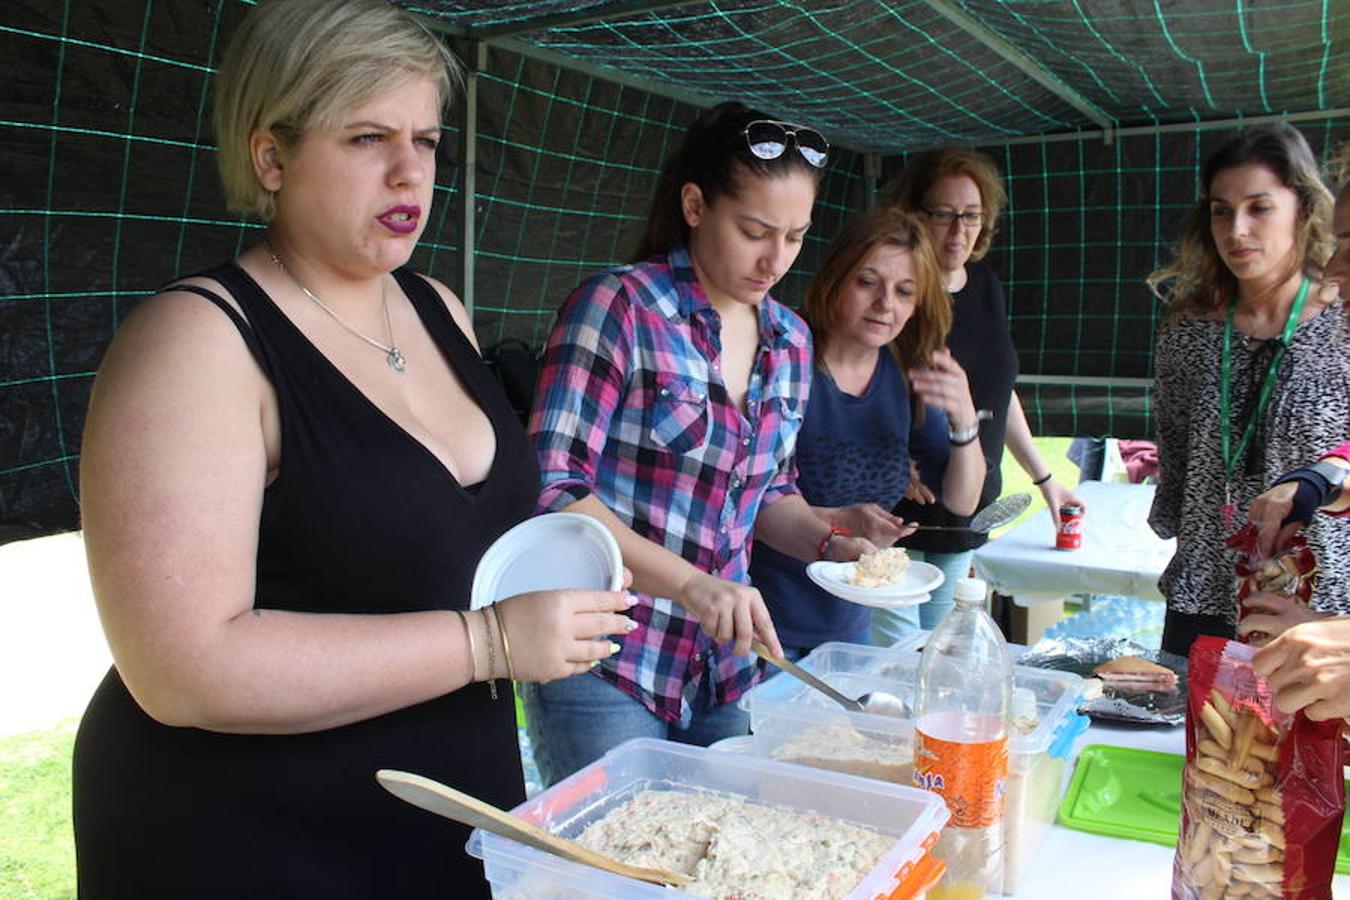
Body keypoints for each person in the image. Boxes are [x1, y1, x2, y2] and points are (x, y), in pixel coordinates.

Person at [71, 2, 633, 896]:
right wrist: (487, 642)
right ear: (272, 157)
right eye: (368, 137)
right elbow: (182, 669)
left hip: (441, 808)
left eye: (428, 139)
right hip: (256, 837)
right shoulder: (194, 343)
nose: (411, 169)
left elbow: (437, 533)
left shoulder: (436, 307)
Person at [524, 103, 876, 786]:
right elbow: (551, 486)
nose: (775, 259)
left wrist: (831, 541)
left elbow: (768, 491)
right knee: (615, 875)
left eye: (797, 238)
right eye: (754, 231)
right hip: (607, 656)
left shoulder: (792, 340)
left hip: (724, 663)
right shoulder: (620, 308)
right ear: (694, 204)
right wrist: (690, 584)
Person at [1147, 123, 1348, 659]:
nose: (1236, 229)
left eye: (1259, 207)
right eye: (1221, 209)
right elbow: (1175, 452)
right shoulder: (1188, 328)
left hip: (1317, 600)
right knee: (1198, 740)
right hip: (1205, 589)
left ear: (1302, 209)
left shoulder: (1341, 321)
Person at [748, 207, 985, 660]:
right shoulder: (783, 360)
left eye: (904, 291)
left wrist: (963, 415)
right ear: (836, 278)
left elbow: (961, 501)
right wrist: (836, 520)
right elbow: (738, 503)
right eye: (867, 282)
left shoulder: (904, 373)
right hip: (763, 625)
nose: (885, 304)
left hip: (850, 629)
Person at [873, 148, 1082, 644]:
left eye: (970, 215)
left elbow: (998, 392)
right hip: (896, 514)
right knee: (901, 657)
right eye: (943, 214)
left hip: (964, 510)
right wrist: (884, 460)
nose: (957, 230)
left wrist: (1045, 479)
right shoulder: (896, 294)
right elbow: (859, 386)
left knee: (942, 648)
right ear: (914, 215)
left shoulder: (985, 285)